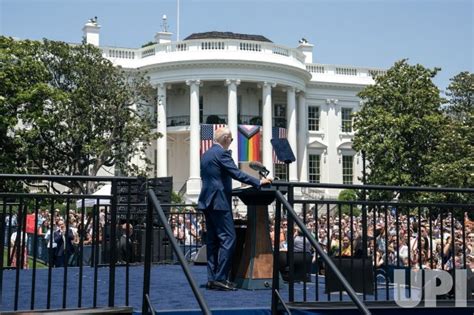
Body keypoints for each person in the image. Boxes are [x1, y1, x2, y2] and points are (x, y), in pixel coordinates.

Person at [197, 127, 272, 291]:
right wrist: (259, 182)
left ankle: (212, 278)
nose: (231, 142)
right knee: (229, 238)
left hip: (207, 201)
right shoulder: (222, 154)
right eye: (231, 140)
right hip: (219, 202)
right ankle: (221, 278)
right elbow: (236, 173)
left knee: (212, 241)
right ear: (225, 138)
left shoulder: (206, 154)